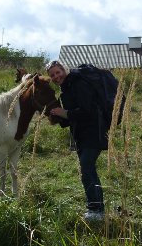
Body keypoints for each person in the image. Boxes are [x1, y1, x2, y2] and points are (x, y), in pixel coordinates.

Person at [46, 60, 108, 221]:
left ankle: (95, 210)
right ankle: (97, 208)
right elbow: (71, 118)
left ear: (63, 69)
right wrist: (57, 116)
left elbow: (88, 111)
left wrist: (64, 112)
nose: (56, 76)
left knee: (86, 169)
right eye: (52, 75)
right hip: (81, 135)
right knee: (88, 170)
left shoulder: (78, 83)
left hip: (94, 132)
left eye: (57, 72)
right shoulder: (65, 90)